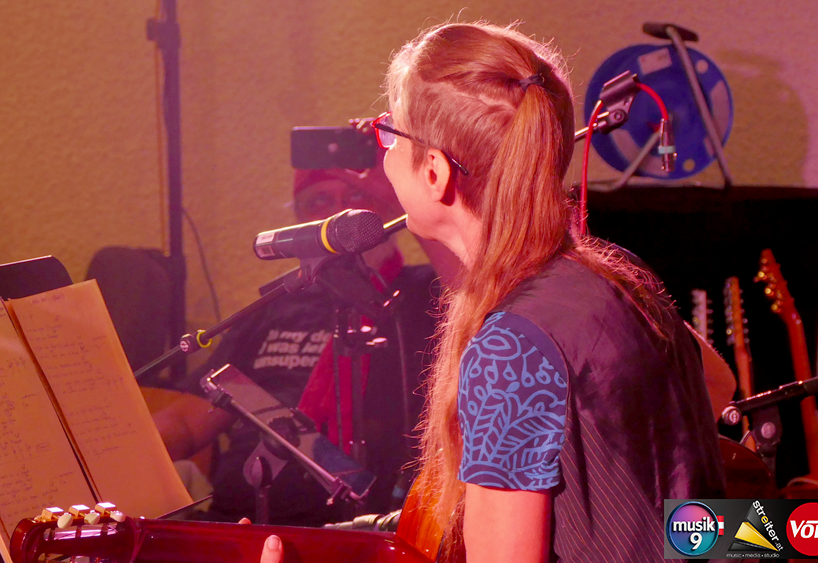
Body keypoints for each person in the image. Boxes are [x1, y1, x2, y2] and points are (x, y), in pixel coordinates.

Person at [367, 22, 736, 562]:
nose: (383, 152)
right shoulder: (619, 276)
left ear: (435, 172)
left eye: (390, 133)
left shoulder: (510, 348)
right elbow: (719, 389)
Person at [153, 123, 455, 526]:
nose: (339, 212)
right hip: (239, 524)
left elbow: (473, 279)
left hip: (362, 533)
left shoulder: (426, 292)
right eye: (320, 201)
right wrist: (115, 455)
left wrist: (406, 191)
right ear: (298, 220)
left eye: (358, 197)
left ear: (390, 209)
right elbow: (188, 422)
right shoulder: (274, 305)